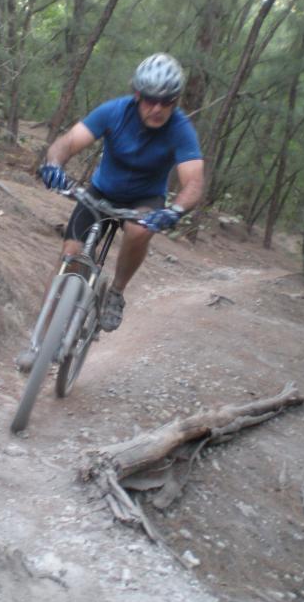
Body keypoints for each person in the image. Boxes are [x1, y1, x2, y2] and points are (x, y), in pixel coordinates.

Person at [17, 52, 204, 372]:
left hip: (145, 199)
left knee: (140, 229)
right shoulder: (114, 112)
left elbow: (194, 181)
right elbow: (68, 142)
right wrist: (52, 165)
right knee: (70, 256)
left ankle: (116, 291)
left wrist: (175, 210)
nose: (157, 108)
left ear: (176, 101)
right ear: (137, 95)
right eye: (150, 100)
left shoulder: (180, 129)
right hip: (102, 191)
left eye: (167, 101)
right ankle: (40, 342)